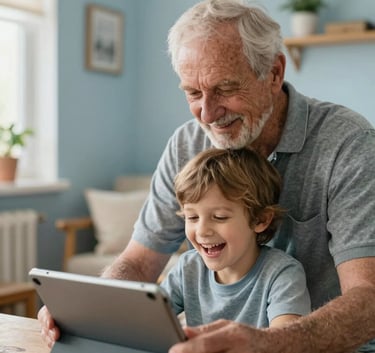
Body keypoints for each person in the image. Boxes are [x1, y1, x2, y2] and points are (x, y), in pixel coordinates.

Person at [39, 0, 375, 352]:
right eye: (193, 93)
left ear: (274, 73)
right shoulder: (188, 143)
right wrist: (88, 312)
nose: (208, 113)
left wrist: (269, 345)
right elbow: (140, 262)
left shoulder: (347, 143)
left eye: (226, 89)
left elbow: (368, 297)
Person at [161, 147, 310, 328]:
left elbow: (285, 341)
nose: (202, 231)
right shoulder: (187, 268)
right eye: (192, 217)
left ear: (260, 219)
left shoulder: (282, 274)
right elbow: (147, 322)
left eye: (219, 217)